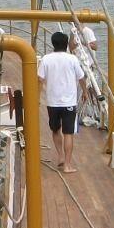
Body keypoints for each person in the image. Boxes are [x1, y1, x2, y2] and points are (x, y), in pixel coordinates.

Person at [37, 31, 88, 173]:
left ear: (53, 43)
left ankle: (60, 156)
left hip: (52, 102)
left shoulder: (46, 59)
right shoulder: (72, 59)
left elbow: (40, 80)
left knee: (55, 130)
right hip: (69, 103)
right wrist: (85, 92)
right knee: (68, 133)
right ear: (66, 44)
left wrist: (36, 97)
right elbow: (81, 78)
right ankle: (67, 165)